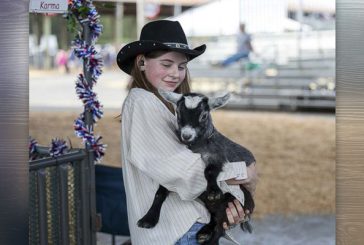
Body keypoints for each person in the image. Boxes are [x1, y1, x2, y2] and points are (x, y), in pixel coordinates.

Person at [116, 20, 258, 245]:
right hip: (177, 232)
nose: (175, 73)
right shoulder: (141, 101)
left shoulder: (175, 108)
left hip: (190, 229)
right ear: (141, 62)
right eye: (166, 64)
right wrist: (243, 173)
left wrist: (237, 202)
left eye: (181, 66)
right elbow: (181, 170)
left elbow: (210, 152)